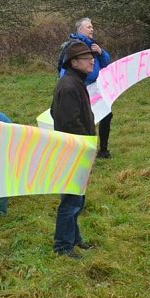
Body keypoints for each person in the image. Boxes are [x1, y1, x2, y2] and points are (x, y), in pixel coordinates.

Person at [51, 41, 97, 259]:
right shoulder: (69, 86)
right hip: (73, 151)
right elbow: (69, 122)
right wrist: (86, 145)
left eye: (91, 57)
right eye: (87, 58)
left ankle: (74, 239)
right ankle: (62, 246)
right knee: (71, 201)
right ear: (74, 63)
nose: (92, 61)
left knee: (77, 198)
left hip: (77, 149)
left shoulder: (75, 82)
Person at [58, 18, 113, 159]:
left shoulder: (92, 45)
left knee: (106, 115)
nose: (92, 29)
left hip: (95, 88)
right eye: (89, 27)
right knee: (82, 118)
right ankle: (82, 152)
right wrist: (69, 85)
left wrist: (100, 52)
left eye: (92, 26)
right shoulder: (74, 47)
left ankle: (103, 149)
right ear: (80, 29)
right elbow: (66, 70)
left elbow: (106, 63)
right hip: (82, 88)